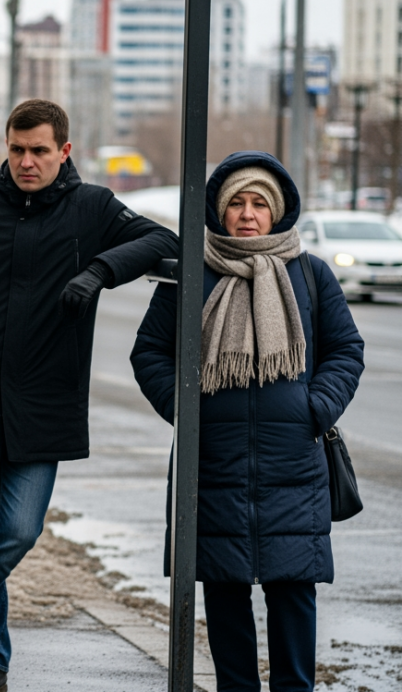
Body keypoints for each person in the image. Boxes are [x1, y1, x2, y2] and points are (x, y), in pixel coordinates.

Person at [0, 99, 179, 692]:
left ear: (64, 151)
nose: (26, 161)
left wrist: (100, 269)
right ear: (7, 146)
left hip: (45, 402)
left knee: (17, 532)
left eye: (39, 151)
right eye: (17, 149)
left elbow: (161, 240)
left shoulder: (94, 207)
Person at [130, 151, 364, 692]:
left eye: (259, 202)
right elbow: (149, 353)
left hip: (293, 465)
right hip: (213, 461)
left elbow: (345, 349)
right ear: (219, 209)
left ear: (277, 211)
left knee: (293, 594)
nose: (248, 213)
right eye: (237, 201)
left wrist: (316, 406)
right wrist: (189, 412)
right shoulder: (191, 273)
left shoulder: (309, 273)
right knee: (225, 593)